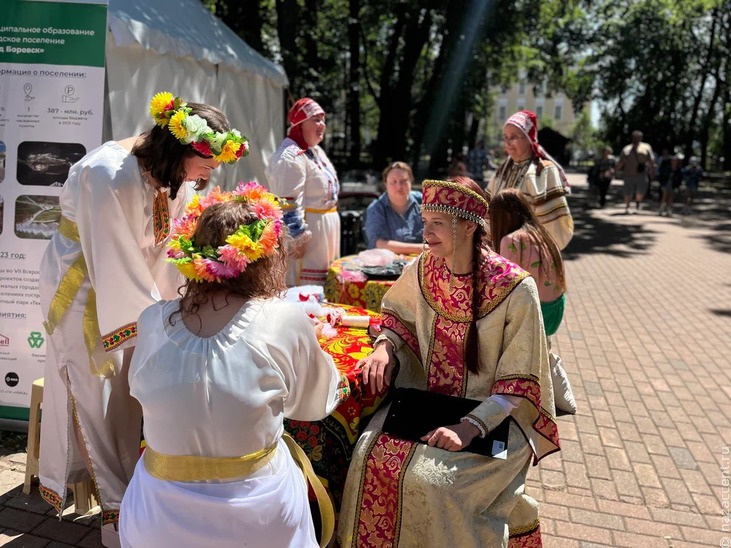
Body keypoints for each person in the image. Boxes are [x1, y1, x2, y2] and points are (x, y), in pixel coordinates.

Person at [38, 91, 247, 545]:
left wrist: (184, 302)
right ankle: (116, 510)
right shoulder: (107, 175)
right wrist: (160, 324)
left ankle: (136, 492)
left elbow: (167, 246)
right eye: (206, 166)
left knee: (134, 395)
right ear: (180, 149)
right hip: (85, 293)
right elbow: (114, 261)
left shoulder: (175, 174)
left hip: (130, 288)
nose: (209, 176)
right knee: (99, 398)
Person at [119, 182, 347, 547]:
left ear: (193, 256)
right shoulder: (283, 319)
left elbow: (142, 391)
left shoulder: (150, 320)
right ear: (266, 256)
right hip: (256, 518)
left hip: (158, 517)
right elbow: (314, 404)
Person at [338, 177, 560, 547]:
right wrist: (384, 346)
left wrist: (471, 427)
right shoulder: (425, 268)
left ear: (470, 225)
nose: (425, 232)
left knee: (436, 483)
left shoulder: (517, 289)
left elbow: (520, 382)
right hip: (429, 405)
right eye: (424, 222)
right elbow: (396, 316)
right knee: (367, 455)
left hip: (496, 419)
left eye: (436, 223)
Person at [489, 187, 576, 414]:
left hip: (536, 315)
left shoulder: (511, 240)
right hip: (555, 310)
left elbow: (502, 288)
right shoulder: (545, 236)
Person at [266, 98, 340, 286]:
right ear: (299, 124)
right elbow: (286, 202)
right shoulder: (289, 157)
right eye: (315, 119)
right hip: (309, 240)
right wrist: (297, 238)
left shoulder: (315, 151)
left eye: (323, 119)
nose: (322, 124)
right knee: (306, 292)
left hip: (324, 234)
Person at [487, 110, 574, 250]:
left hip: (528, 252)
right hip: (499, 250)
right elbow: (488, 205)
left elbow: (554, 226)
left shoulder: (543, 170)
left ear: (529, 138)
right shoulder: (503, 169)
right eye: (505, 137)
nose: (508, 143)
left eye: (514, 137)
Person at [364, 161, 424, 255]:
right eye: (393, 182)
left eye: (404, 181)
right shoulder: (376, 209)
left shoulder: (423, 201)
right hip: (388, 265)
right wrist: (420, 248)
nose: (399, 186)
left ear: (411, 181)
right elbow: (380, 244)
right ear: (385, 184)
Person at [615, 130, 655, 214]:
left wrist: (652, 171)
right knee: (627, 192)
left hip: (641, 173)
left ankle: (637, 201)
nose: (636, 139)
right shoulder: (626, 149)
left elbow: (651, 160)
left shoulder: (646, 147)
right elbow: (621, 162)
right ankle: (627, 206)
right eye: (634, 137)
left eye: (638, 137)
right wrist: (615, 171)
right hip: (628, 173)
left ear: (641, 138)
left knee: (641, 191)